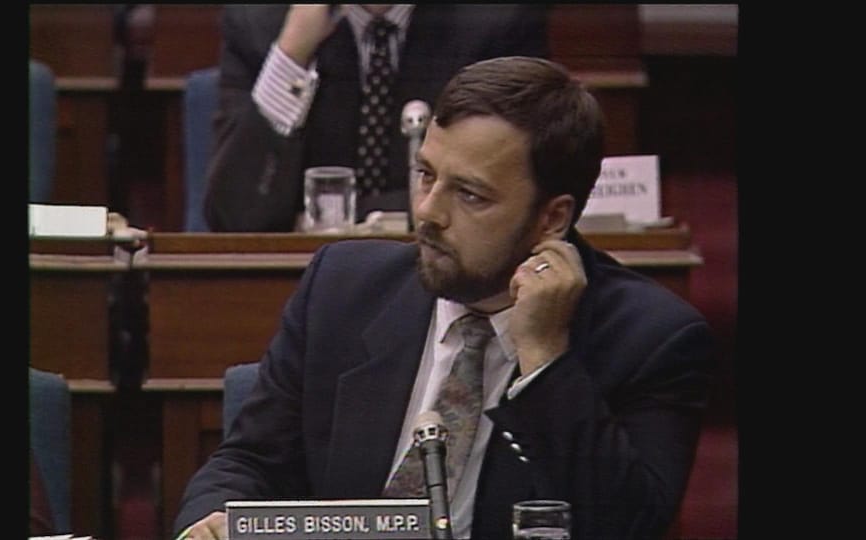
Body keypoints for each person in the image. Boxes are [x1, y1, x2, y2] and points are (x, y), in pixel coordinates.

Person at [175, 57, 715, 540]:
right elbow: (249, 461)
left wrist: (545, 362)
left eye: (470, 194)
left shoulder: (650, 340)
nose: (428, 213)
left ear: (552, 218)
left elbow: (625, 525)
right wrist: (211, 521)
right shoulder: (343, 288)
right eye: (426, 176)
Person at [203, 4, 549, 232]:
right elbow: (234, 218)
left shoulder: (498, 20)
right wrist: (291, 57)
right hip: (297, 281)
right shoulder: (258, 23)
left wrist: (337, 218)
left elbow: (504, 193)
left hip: (443, 274)